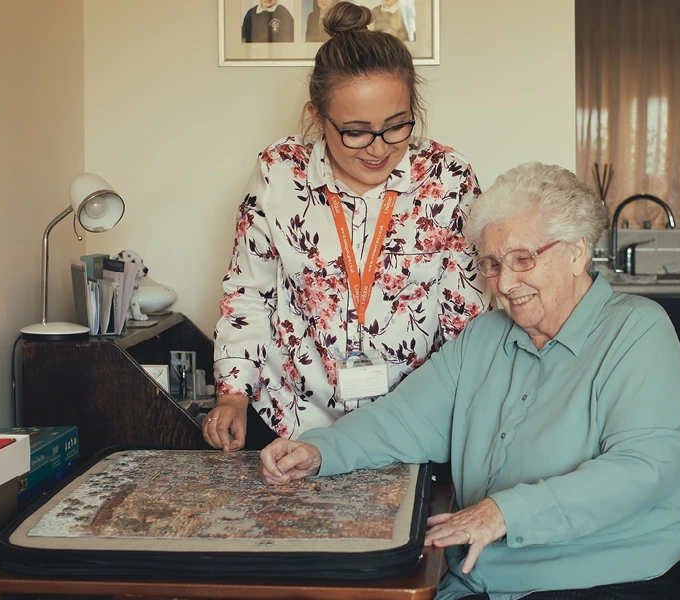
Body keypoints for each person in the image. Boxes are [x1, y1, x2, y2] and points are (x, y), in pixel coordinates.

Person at [259, 162, 680, 600]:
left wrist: (504, 513)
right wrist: (320, 451)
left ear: (577, 251)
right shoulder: (485, 337)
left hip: (624, 574)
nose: (503, 283)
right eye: (492, 264)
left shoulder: (637, 329)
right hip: (487, 577)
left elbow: (645, 466)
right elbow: (403, 421)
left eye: (522, 259)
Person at [207, 2, 488, 453]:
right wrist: (234, 394)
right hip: (291, 420)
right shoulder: (280, 173)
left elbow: (466, 320)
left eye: (396, 126)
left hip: (411, 424)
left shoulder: (448, 178)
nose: (379, 148)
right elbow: (248, 294)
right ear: (317, 118)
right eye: (356, 131)